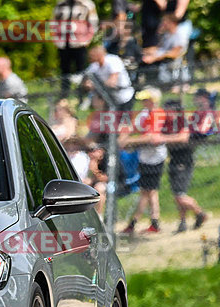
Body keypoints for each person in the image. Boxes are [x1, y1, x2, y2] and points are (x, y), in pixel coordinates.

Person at [120, 87, 167, 233]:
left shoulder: (158, 114)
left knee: (146, 191)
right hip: (144, 157)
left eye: (146, 99)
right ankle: (154, 223)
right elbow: (131, 128)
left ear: (153, 100)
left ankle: (133, 223)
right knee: (150, 191)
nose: (143, 102)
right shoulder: (144, 114)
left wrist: (130, 141)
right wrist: (124, 137)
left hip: (155, 158)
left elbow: (151, 136)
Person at [159, 98, 207, 232]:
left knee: (180, 195)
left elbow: (183, 137)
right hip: (174, 159)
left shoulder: (182, 122)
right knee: (178, 193)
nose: (166, 113)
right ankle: (182, 222)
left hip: (184, 161)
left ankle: (200, 213)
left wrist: (163, 139)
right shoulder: (167, 124)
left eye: (168, 110)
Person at [53, 0, 99, 98]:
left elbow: (93, 23)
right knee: (65, 72)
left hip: (79, 44)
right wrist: (55, 38)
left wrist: (87, 39)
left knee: (81, 71)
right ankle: (64, 97)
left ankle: (82, 97)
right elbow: (54, 21)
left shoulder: (87, 4)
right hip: (63, 44)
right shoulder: (61, 3)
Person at [141, 14, 188, 86]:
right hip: (162, 60)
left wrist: (154, 58)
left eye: (165, 22)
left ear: (172, 23)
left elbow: (175, 53)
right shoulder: (167, 34)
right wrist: (142, 51)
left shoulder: (179, 34)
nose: (163, 24)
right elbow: (159, 48)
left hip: (171, 63)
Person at [84, 46, 135, 111]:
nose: (90, 57)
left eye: (93, 55)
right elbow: (87, 79)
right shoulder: (94, 66)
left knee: (124, 119)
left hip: (124, 96)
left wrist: (96, 85)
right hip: (109, 98)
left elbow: (112, 81)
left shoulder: (112, 60)